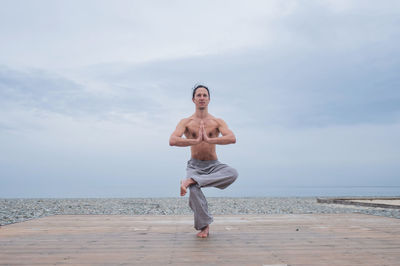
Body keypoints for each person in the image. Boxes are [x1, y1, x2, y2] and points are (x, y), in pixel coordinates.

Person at [169, 84, 238, 238]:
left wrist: (209, 139)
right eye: (198, 95)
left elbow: (232, 138)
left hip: (214, 165)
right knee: (193, 191)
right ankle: (204, 227)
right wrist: (194, 142)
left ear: (209, 99)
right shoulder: (186, 122)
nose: (201, 98)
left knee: (233, 173)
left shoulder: (217, 121)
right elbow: (172, 140)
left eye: (204, 95)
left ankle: (191, 180)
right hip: (195, 165)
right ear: (193, 99)